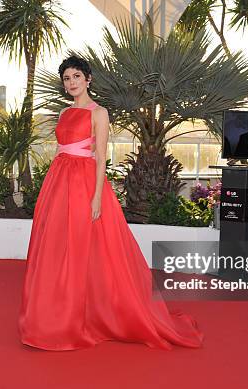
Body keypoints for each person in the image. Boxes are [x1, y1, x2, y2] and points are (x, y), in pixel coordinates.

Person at [18, 56, 204, 351]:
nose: (71, 83)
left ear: (88, 79)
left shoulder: (99, 112)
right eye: (67, 78)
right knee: (57, 247)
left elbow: (101, 156)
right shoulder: (65, 113)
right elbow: (60, 150)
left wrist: (96, 198)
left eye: (76, 76)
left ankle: (90, 314)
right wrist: (50, 188)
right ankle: (56, 315)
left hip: (85, 183)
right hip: (59, 181)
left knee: (87, 247)